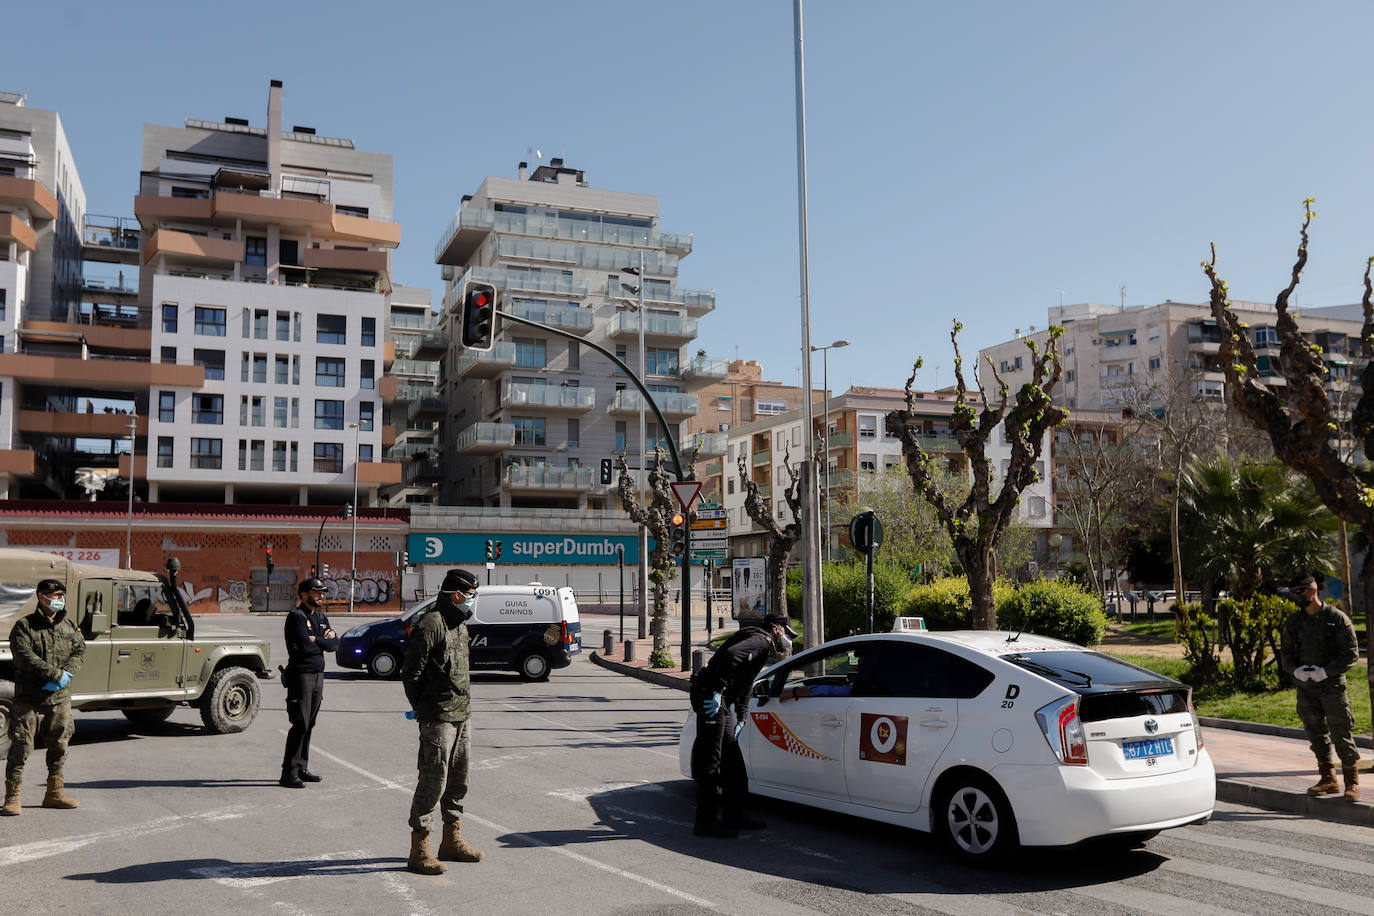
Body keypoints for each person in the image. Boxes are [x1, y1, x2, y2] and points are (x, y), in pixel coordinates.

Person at [401, 568, 484, 875]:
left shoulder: (459, 624)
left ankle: (451, 841)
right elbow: (411, 674)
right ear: (456, 595)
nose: (471, 601)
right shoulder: (431, 623)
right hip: (437, 717)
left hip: (462, 714)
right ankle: (419, 849)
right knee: (433, 780)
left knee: (459, 780)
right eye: (470, 595)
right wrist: (424, 710)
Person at [688, 612, 797, 838]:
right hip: (710, 698)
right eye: (786, 633)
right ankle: (705, 821)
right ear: (776, 629)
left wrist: (744, 714)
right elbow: (729, 655)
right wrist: (717, 691)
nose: (787, 639)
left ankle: (734, 815)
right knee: (712, 759)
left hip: (721, 700)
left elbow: (747, 681)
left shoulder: (762, 646)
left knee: (733, 761)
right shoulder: (761, 641)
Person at [3, 578, 85, 816]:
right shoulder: (25, 626)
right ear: (41, 597)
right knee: (21, 745)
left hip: (59, 698)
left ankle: (54, 793)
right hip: (30, 697)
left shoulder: (69, 625)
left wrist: (67, 673)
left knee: (60, 744)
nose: (59, 600)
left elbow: (80, 650)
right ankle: (12, 796)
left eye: (61, 595)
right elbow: (23, 656)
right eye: (55, 596)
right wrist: (54, 674)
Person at [1280, 573, 1360, 801]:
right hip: (1306, 688)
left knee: (1341, 733)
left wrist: (1325, 671)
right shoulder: (1294, 621)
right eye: (1293, 593)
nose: (1295, 597)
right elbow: (1285, 653)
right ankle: (1328, 779)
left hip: (1332, 687)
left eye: (1299, 592)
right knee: (1315, 734)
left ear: (1312, 590)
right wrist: (1295, 670)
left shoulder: (1336, 618)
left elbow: (1351, 654)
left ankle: (1351, 783)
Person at [280, 577, 337, 789]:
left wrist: (318, 639)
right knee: (300, 723)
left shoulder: (321, 617)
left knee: (310, 724)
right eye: (316, 592)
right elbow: (304, 647)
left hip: (318, 675)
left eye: (322, 592)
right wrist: (319, 641)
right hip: (301, 675)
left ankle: (302, 768)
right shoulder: (296, 617)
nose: (321, 595)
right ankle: (288, 773)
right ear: (304, 594)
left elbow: (334, 644)